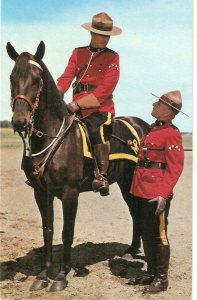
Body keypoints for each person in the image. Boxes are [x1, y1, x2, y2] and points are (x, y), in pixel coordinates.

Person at [57, 12, 122, 196]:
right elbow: (66, 77)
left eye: (107, 36)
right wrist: (54, 95)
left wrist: (77, 104)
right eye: (101, 35)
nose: (105, 39)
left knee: (96, 130)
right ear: (92, 34)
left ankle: (101, 176)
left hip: (100, 108)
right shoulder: (78, 53)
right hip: (74, 107)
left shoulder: (113, 57)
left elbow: (106, 89)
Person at [128, 90, 185, 293]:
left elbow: (175, 168)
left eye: (158, 103)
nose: (154, 105)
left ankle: (162, 278)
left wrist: (163, 193)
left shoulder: (172, 134)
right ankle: (151, 272)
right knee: (144, 230)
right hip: (141, 189)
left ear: (167, 111)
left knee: (159, 235)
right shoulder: (152, 130)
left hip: (156, 192)